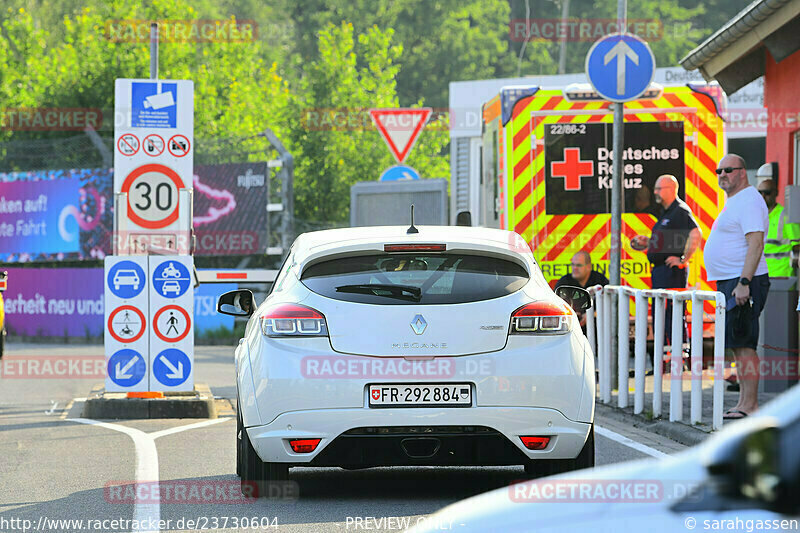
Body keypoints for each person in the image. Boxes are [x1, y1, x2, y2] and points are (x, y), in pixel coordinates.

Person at [704, 154, 770, 420]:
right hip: (732, 281)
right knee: (738, 343)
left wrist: (744, 282)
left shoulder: (750, 200)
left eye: (728, 170)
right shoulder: (736, 201)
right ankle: (744, 402)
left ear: (743, 172)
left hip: (743, 281)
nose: (722, 174)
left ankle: (750, 405)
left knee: (744, 344)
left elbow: (756, 243)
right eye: (719, 170)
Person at [631, 175, 702, 366]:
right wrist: (650, 242)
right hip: (662, 273)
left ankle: (678, 361)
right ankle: (664, 362)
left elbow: (696, 233)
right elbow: (669, 240)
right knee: (662, 317)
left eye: (658, 189)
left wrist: (683, 259)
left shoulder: (680, 211)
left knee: (672, 315)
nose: (655, 192)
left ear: (671, 189)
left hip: (671, 274)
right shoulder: (667, 212)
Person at [757, 178, 800, 277]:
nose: (763, 196)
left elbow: (797, 246)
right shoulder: (757, 217)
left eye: (767, 193)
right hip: (761, 276)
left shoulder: (785, 216)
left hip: (781, 276)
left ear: (775, 193)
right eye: (760, 193)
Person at [555, 251, 609, 327]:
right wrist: (572, 314)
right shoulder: (564, 283)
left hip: (598, 329)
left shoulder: (600, 281)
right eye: (573, 264)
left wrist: (592, 314)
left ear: (588, 267)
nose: (575, 268)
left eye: (579, 265)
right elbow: (557, 305)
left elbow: (611, 305)